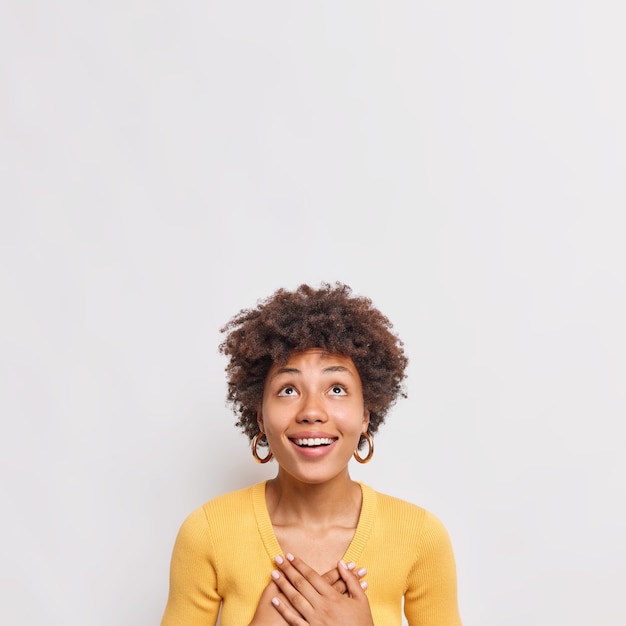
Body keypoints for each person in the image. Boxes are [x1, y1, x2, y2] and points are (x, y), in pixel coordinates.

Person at [160, 282, 462, 626]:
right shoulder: (208, 531)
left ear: (366, 413)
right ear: (260, 414)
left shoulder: (419, 535)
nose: (312, 411)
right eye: (288, 389)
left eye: (336, 389)